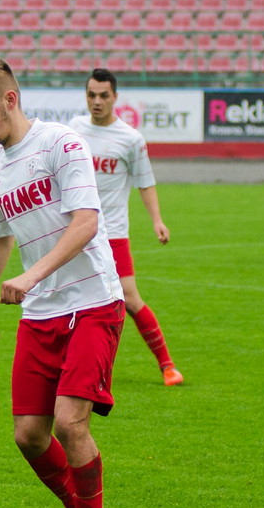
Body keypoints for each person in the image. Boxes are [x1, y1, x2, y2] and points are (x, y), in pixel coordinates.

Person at [0, 58, 125, 508]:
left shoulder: (62, 143)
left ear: (10, 99)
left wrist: (30, 277)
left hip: (93, 300)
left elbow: (86, 222)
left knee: (69, 422)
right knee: (29, 435)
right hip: (42, 312)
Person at [69, 68, 183, 386]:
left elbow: (145, 183)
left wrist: (157, 220)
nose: (97, 101)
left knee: (130, 299)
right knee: (71, 299)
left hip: (112, 233)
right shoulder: (74, 130)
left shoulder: (130, 139)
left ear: (115, 98)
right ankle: (80, 367)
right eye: (91, 95)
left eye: (104, 95)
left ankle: (167, 365)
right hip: (76, 230)